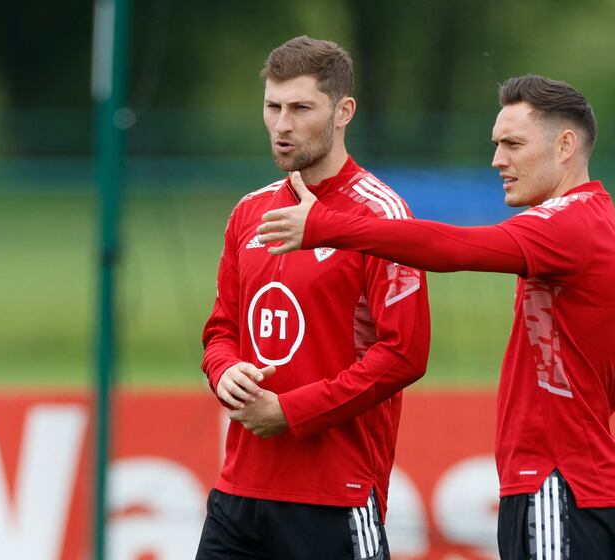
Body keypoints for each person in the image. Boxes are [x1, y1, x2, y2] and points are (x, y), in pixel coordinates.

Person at [258, 75, 615, 560]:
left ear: (565, 145)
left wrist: (327, 226)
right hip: (586, 487)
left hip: (557, 485)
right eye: (497, 144)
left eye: (513, 144)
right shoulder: (602, 219)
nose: (498, 159)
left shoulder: (567, 226)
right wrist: (581, 382)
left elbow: (453, 248)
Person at [196, 36, 431, 559]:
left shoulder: (381, 216)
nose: (283, 124)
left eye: (301, 108)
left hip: (335, 495)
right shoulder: (248, 212)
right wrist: (224, 370)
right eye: (272, 106)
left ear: (343, 111)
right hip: (239, 493)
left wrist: (291, 411)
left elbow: (404, 355)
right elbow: (221, 330)